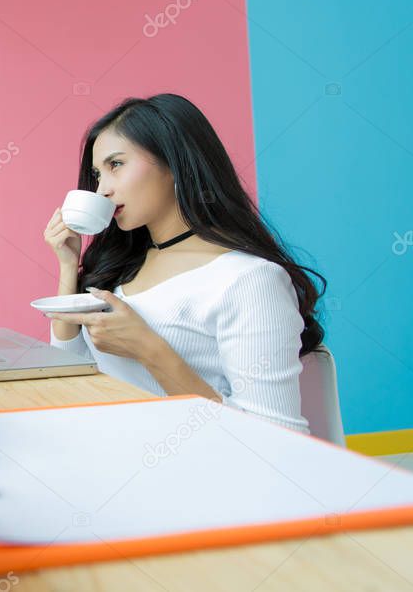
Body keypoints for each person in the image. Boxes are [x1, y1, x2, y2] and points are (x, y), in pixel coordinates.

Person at [43, 93, 327, 434]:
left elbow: (277, 437)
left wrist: (149, 349)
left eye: (116, 165)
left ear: (174, 162)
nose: (101, 189)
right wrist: (67, 263)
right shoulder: (126, 265)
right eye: (96, 174)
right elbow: (67, 368)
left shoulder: (250, 279)